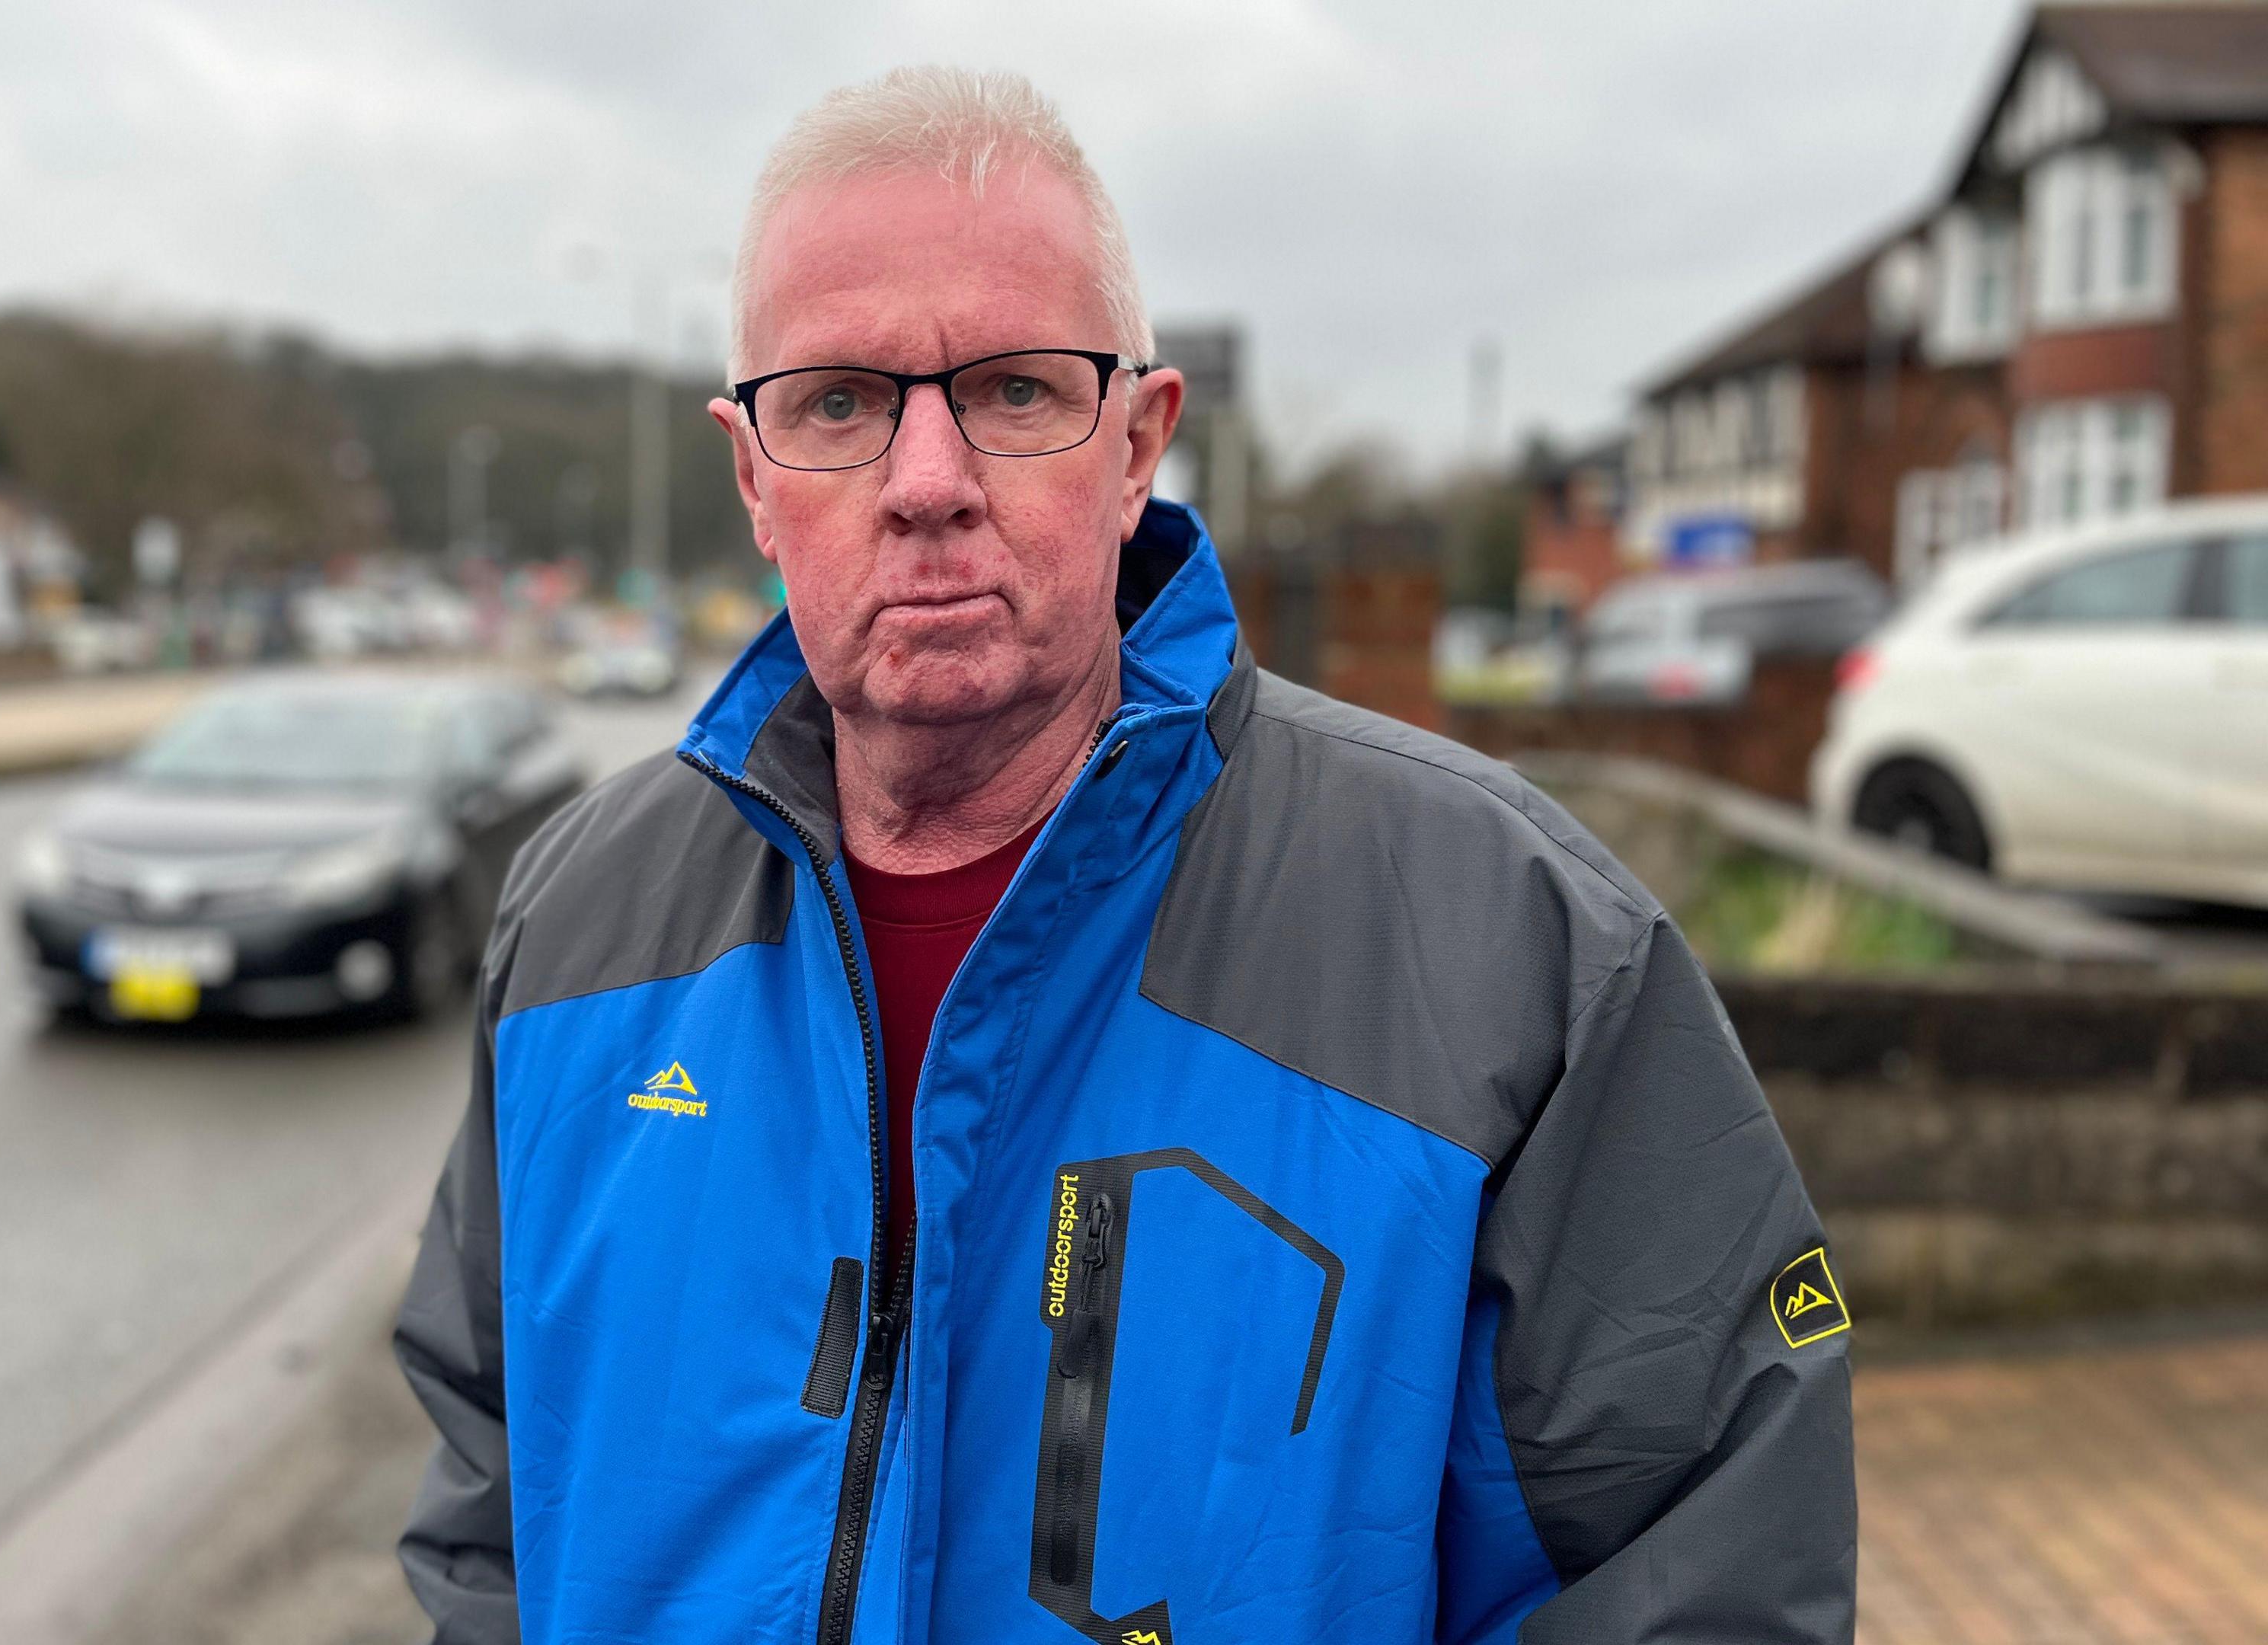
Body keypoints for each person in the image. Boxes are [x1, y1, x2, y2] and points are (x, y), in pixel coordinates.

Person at [396, 66, 1854, 1645]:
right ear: (752, 472)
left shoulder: (1514, 951)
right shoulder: (579, 921)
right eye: (838, 403)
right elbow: (491, 1497)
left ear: (1139, 438)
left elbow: (1707, 1571)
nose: (930, 482)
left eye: (1017, 391)